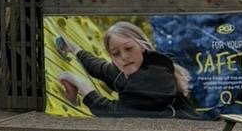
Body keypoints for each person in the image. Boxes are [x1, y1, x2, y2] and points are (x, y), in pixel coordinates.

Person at [56, 21, 196, 116]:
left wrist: (78, 82)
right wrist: (74, 49)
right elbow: (99, 68)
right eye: (115, 53)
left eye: (129, 48)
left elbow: (112, 112)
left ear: (142, 46)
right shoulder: (132, 67)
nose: (124, 57)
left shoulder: (156, 77)